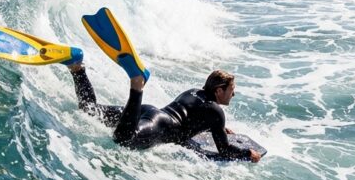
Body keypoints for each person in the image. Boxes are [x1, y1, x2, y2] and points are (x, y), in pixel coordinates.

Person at [66, 64, 261, 162]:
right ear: (219, 90)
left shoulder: (194, 92)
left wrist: (218, 127)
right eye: (231, 90)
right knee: (124, 139)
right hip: (162, 126)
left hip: (152, 112)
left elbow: (194, 115)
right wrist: (247, 154)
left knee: (90, 110)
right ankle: (137, 85)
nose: (233, 94)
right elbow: (224, 150)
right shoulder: (216, 111)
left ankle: (77, 68)